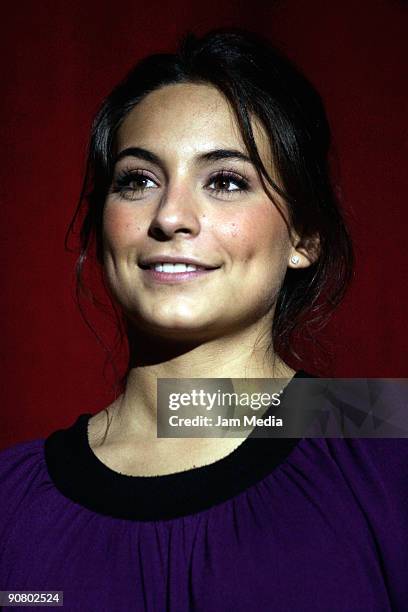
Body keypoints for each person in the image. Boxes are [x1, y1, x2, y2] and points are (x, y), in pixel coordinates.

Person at [0, 29, 407, 611]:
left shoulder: (385, 445)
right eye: (137, 180)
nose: (170, 216)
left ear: (305, 235)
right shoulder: (11, 502)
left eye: (225, 181)